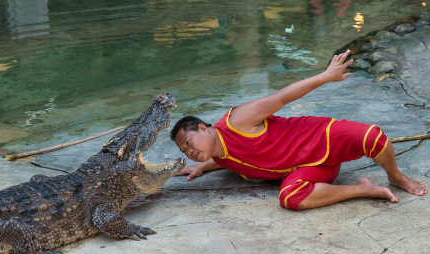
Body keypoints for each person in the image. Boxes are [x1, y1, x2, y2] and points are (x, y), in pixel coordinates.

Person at [171, 50, 428, 211]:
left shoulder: (238, 119)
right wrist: (201, 166)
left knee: (372, 137)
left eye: (189, 142)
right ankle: (362, 189)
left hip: (320, 138)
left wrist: (325, 76)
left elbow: (282, 97)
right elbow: (229, 156)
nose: (189, 151)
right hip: (312, 170)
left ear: (203, 128)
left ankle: (395, 176)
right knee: (290, 198)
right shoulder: (218, 156)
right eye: (185, 151)